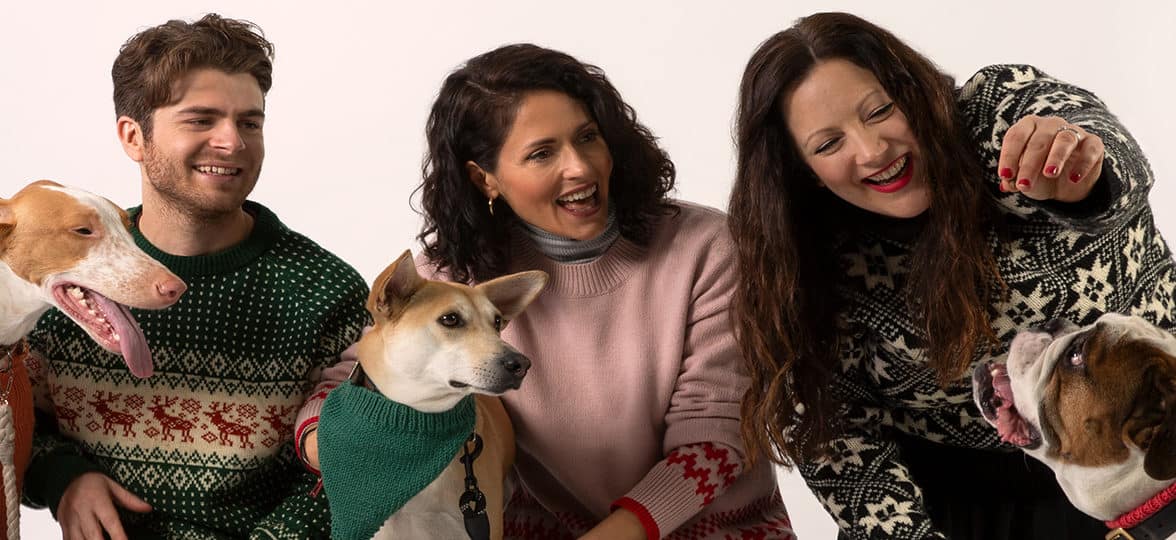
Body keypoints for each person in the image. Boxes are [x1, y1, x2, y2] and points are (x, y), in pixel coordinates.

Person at [295, 44, 795, 539]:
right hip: (538, 528)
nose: (579, 167)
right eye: (541, 153)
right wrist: (322, 441)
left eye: (588, 138)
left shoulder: (708, 248)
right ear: (485, 179)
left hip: (711, 530)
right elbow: (354, 372)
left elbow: (715, 436)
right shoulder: (454, 282)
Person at [728, 11, 1176, 540]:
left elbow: (1113, 161)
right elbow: (831, 434)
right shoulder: (803, 262)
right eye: (829, 144)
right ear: (800, 171)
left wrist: (1078, 173)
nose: (872, 151)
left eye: (879, 111)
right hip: (962, 501)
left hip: (1156, 439)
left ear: (912, 92)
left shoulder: (996, 115)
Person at [23, 14, 370, 539]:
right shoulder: (64, 278)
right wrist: (64, 478)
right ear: (133, 136)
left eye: (249, 123)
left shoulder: (325, 291)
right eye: (201, 119)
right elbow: (19, 424)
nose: (232, 142)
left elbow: (355, 467)